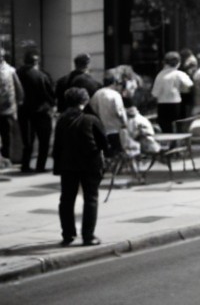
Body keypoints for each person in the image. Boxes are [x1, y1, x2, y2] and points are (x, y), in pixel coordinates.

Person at [51, 88, 107, 246]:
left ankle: (68, 235)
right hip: (90, 164)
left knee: (67, 200)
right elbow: (104, 143)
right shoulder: (91, 119)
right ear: (85, 101)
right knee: (91, 198)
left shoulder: (61, 120)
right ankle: (88, 236)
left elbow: (57, 145)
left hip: (68, 165)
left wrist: (57, 166)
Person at [18, 49, 56, 174]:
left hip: (24, 111)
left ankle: (25, 164)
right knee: (44, 140)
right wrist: (52, 105)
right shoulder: (41, 76)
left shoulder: (17, 73)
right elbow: (49, 94)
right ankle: (40, 165)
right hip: (41, 112)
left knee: (27, 140)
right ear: (36, 62)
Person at [150, 52, 192, 134]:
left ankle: (169, 142)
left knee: (165, 126)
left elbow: (155, 93)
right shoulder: (179, 74)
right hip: (176, 103)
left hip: (162, 104)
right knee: (177, 124)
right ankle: (176, 142)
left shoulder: (160, 75)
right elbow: (189, 84)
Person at [88, 75, 127, 155]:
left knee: (105, 152)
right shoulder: (115, 95)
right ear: (113, 83)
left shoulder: (97, 94)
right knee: (118, 152)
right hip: (115, 129)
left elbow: (92, 108)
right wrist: (124, 123)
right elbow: (119, 112)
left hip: (101, 128)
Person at [0, 47, 18, 168]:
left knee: (6, 135)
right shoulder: (11, 70)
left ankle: (6, 158)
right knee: (6, 135)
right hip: (7, 109)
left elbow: (18, 87)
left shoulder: (10, 70)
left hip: (6, 109)